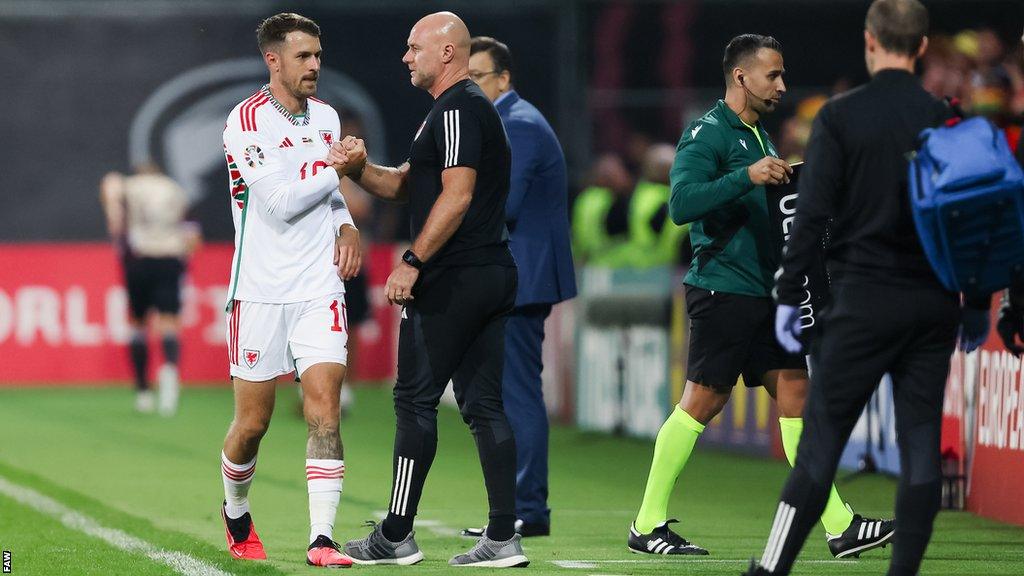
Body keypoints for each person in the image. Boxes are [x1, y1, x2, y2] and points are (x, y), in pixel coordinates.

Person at [744, 2, 993, 574]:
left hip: (860, 302)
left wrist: (786, 297)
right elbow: (974, 216)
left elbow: (808, 217)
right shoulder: (946, 118)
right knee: (921, 447)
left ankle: (770, 571)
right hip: (932, 304)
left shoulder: (839, 117)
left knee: (819, 450)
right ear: (923, 47)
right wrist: (976, 303)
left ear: (870, 41)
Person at [628, 34, 892, 558]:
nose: (782, 85)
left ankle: (840, 526)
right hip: (724, 289)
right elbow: (681, 203)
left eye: (783, 74)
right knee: (701, 402)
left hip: (767, 294)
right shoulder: (707, 133)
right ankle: (647, 523)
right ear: (741, 77)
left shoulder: (758, 134)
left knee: (798, 396)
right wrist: (745, 176)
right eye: (773, 75)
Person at [333, 12, 527, 568]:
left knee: (413, 400)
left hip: (456, 275)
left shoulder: (460, 107)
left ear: (447, 52)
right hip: (486, 271)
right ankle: (501, 538)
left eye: (414, 47)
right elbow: (402, 184)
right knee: (483, 404)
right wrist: (359, 166)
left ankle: (395, 535)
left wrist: (413, 260)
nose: (405, 56)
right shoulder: (447, 114)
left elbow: (458, 195)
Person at [217, 12, 364, 568]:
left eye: (319, 56)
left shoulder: (325, 117)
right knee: (252, 425)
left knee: (324, 409)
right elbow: (280, 201)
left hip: (318, 286)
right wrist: (341, 167)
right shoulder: (246, 121)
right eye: (304, 57)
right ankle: (235, 506)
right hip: (258, 290)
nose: (315, 67)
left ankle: (322, 539)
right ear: (272, 60)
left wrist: (347, 222)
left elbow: (327, 196)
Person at [455, 35, 577, 538]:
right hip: (516, 273)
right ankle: (513, 510)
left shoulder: (519, 125)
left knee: (517, 394)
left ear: (503, 78)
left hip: (523, 277)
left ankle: (527, 509)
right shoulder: (508, 121)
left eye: (478, 77)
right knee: (505, 394)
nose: (473, 87)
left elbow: (504, 205)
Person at [99, 163, 199, 416]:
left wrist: (114, 217)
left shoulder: (128, 186)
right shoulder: (175, 190)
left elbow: (110, 190)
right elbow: (193, 238)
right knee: (169, 321)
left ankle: (143, 390)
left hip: (138, 259)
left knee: (138, 322)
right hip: (169, 258)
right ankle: (169, 375)